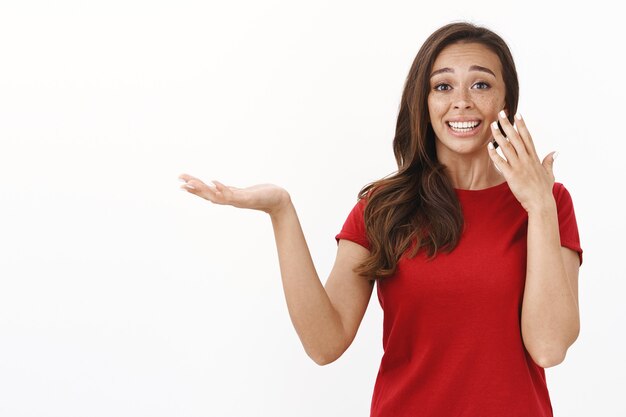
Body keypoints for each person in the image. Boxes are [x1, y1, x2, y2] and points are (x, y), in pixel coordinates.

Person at [178, 22, 583, 417]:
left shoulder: (549, 204)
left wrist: (540, 207)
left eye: (480, 84)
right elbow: (325, 342)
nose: (461, 100)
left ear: (506, 101)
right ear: (423, 102)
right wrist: (280, 211)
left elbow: (549, 347)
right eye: (442, 86)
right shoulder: (383, 208)